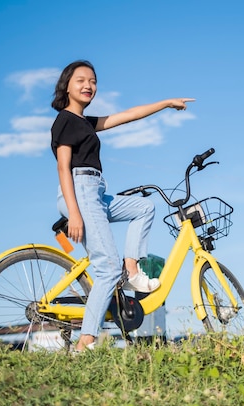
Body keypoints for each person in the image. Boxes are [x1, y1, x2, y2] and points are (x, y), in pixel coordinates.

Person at [50, 60, 194, 351]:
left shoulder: (85, 123)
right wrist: (74, 212)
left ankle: (132, 270)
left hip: (96, 192)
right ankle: (85, 341)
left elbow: (128, 116)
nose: (88, 85)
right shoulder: (65, 121)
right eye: (81, 80)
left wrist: (166, 103)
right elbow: (63, 169)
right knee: (106, 270)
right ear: (67, 85)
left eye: (93, 81)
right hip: (80, 192)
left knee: (144, 208)